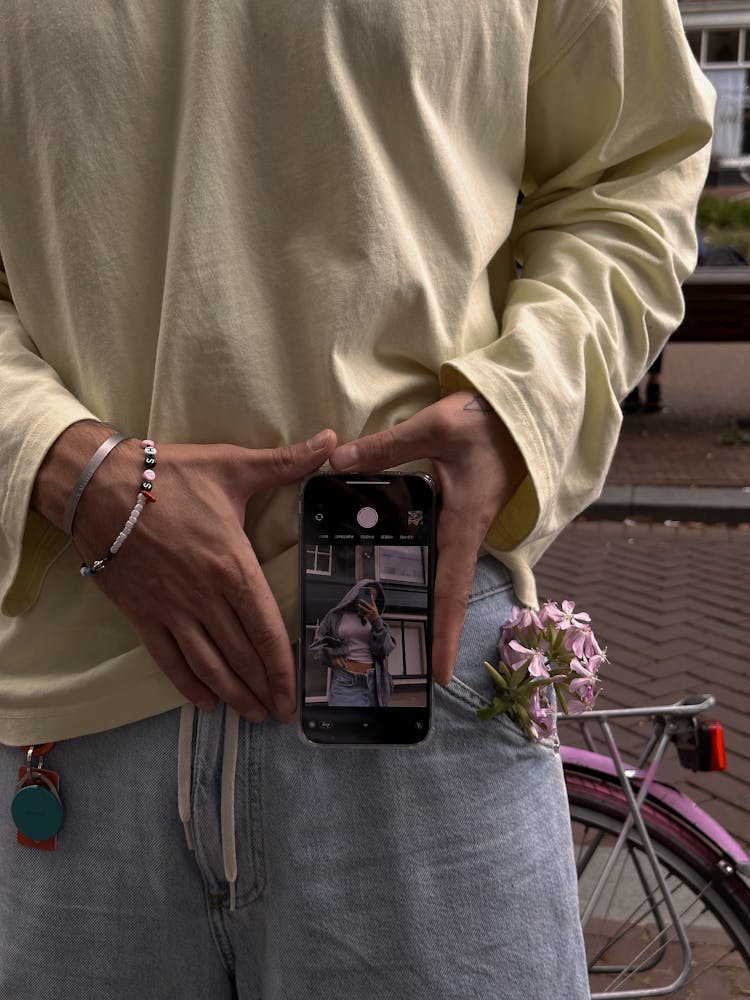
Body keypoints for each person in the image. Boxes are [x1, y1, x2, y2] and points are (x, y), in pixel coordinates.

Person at [0, 3, 714, 998]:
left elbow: (636, 165)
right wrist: (57, 456)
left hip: (419, 674)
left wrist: (520, 406)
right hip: (80, 713)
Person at [310, 580, 397, 707]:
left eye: (374, 597)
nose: (370, 599)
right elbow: (316, 644)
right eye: (367, 594)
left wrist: (376, 621)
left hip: (375, 684)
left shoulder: (376, 621)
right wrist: (330, 657)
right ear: (356, 593)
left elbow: (386, 650)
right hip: (346, 682)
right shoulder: (335, 616)